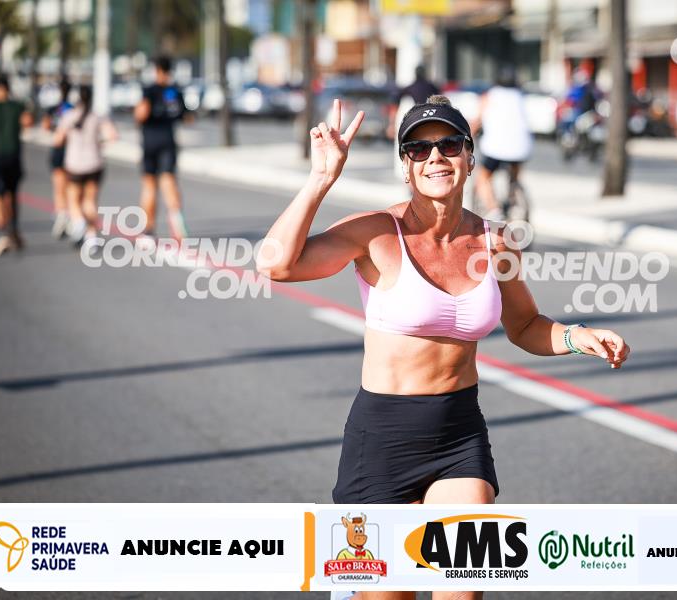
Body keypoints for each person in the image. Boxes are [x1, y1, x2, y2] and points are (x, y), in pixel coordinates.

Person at [257, 96, 629, 598]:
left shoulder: (496, 243)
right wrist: (321, 178)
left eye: (450, 144)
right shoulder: (375, 234)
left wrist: (576, 337)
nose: (435, 157)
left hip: (459, 436)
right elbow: (275, 265)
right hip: (382, 441)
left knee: (463, 586)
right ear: (406, 166)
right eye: (418, 149)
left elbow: (524, 324)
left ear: (470, 157)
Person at [53, 85, 118, 255]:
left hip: (74, 164)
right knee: (90, 201)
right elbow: (112, 135)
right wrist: (99, 143)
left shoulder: (69, 116)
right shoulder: (97, 116)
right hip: (94, 163)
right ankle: (91, 236)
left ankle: (79, 222)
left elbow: (58, 140)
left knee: (74, 199)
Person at [134, 55, 189, 246]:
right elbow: (187, 117)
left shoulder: (149, 90)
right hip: (168, 141)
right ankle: (176, 218)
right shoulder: (175, 92)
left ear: (157, 69)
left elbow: (141, 114)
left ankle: (148, 230)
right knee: (169, 182)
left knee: (149, 186)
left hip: (150, 142)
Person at [470, 66, 532, 221]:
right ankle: (514, 194)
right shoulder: (520, 96)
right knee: (515, 175)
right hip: (521, 148)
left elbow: (476, 122)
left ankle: (494, 210)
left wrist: (467, 135)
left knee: (482, 178)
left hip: (495, 148)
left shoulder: (490, 96)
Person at [0, 74, 33, 257]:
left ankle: (5, 231)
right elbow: (28, 121)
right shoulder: (17, 106)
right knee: (12, 195)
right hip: (14, 156)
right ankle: (13, 230)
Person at [388, 65, 440, 180]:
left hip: (416, 123)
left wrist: (391, 124)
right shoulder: (432, 87)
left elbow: (394, 102)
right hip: (433, 122)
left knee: (417, 152)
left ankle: (414, 178)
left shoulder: (410, 88)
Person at [42, 79, 74, 239]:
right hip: (72, 150)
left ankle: (62, 216)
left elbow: (46, 126)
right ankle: (70, 217)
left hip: (58, 150)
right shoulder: (73, 108)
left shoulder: (54, 109)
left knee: (58, 187)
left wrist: (56, 129)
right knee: (70, 187)